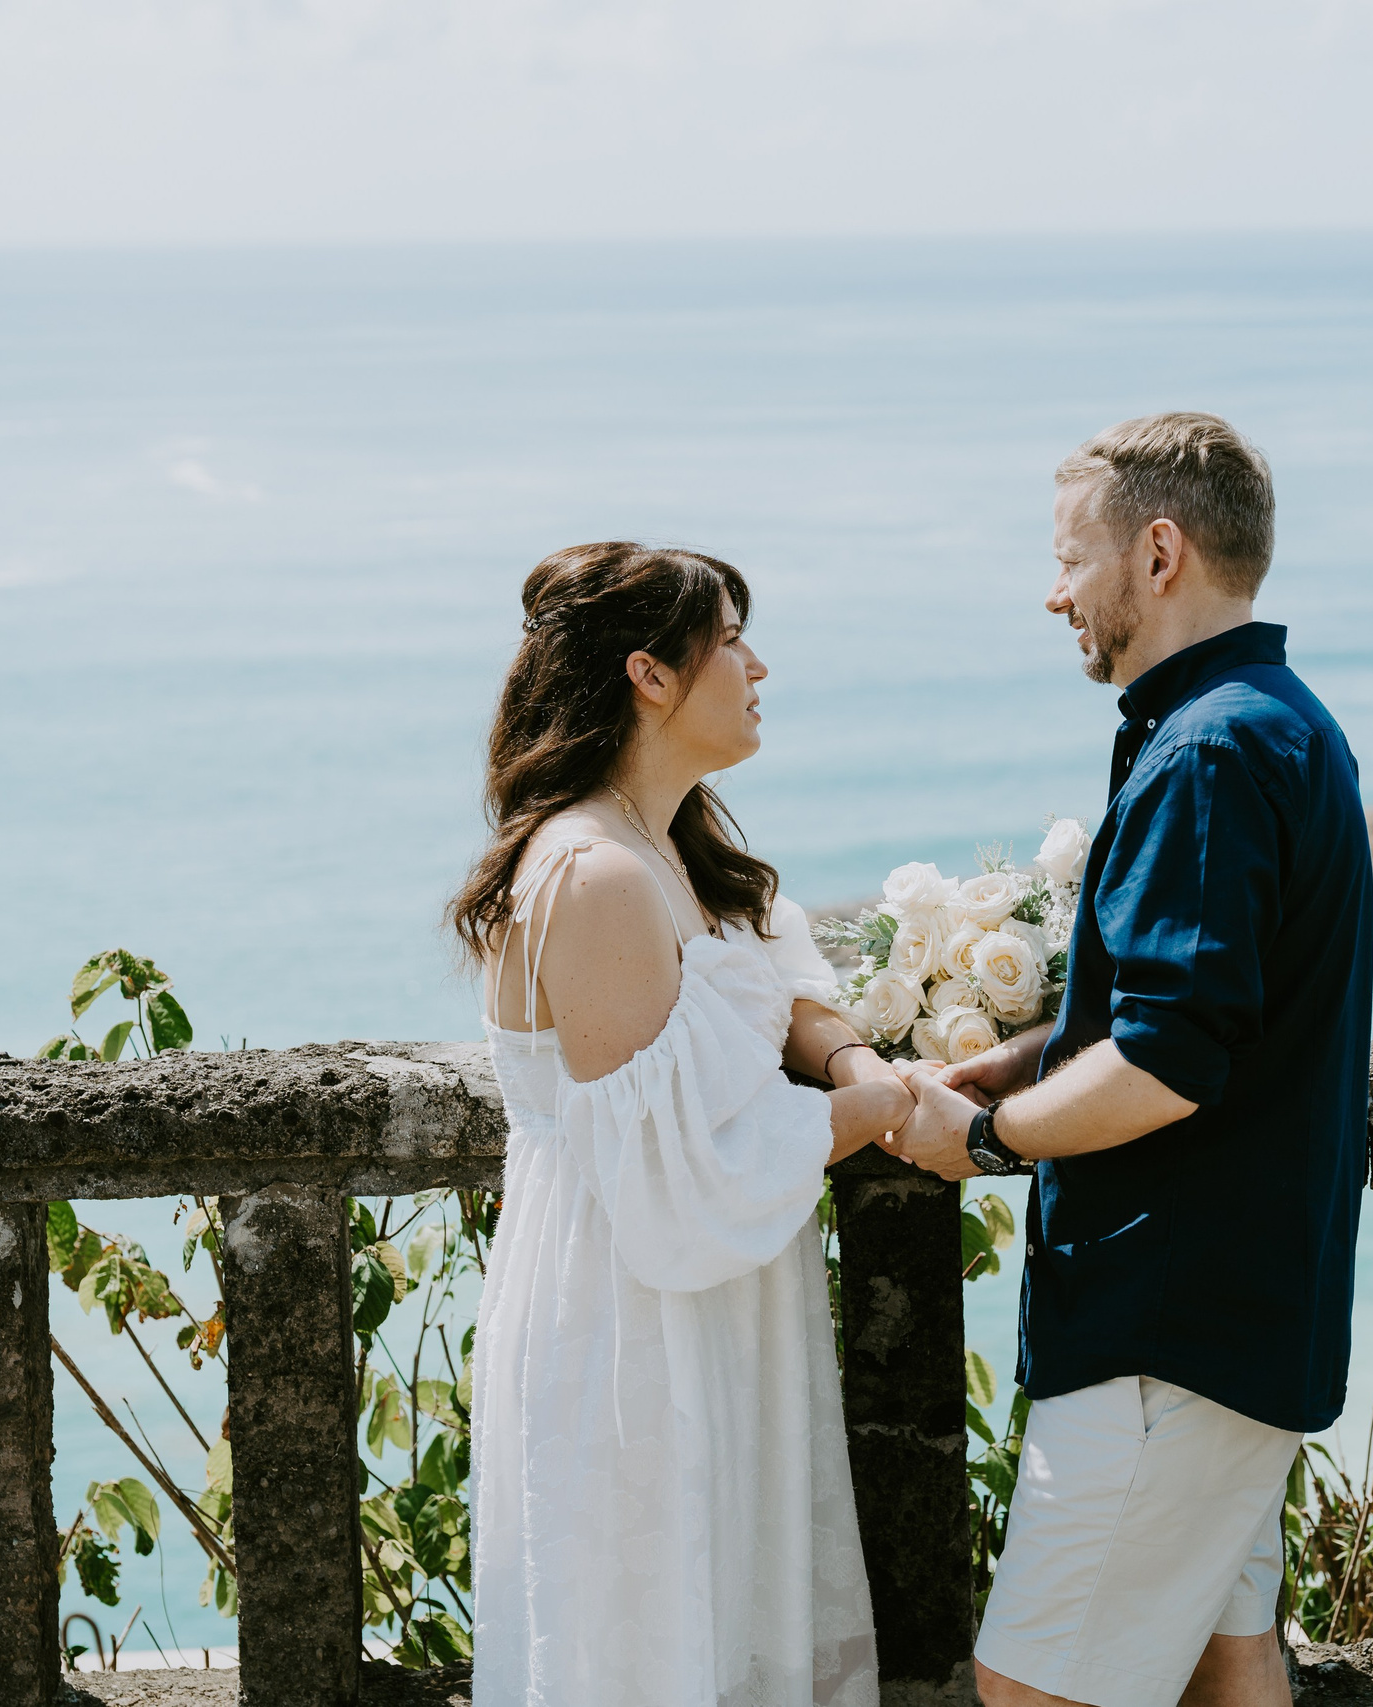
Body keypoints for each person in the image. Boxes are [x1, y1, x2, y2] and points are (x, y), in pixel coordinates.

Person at [885, 414, 1373, 1707]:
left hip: (1171, 1319)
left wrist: (980, 1139)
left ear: (1158, 554)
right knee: (1226, 1660)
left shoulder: (1207, 751)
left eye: (1069, 559)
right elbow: (1212, 1004)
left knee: (1029, 1687)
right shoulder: (1278, 722)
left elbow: (1168, 1061)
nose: (1054, 593)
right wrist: (1026, 1058)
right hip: (1246, 1308)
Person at [447, 541, 909, 1706]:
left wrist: (850, 1057)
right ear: (649, 676)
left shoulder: (668, 840)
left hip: (701, 1302)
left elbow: (776, 974)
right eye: (732, 641)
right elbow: (676, 1174)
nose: (759, 668)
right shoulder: (594, 874)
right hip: (631, 1323)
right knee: (646, 1642)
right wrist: (869, 1112)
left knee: (716, 1624)